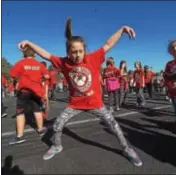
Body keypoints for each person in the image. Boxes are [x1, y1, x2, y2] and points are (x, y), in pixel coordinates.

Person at [17, 17, 143, 167]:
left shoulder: (93, 58)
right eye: (74, 52)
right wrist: (29, 43)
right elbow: (45, 54)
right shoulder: (63, 63)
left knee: (114, 126)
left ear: (84, 50)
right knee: (57, 125)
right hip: (75, 104)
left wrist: (122, 29)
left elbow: (108, 44)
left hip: (95, 103)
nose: (77, 55)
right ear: (68, 52)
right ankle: (57, 146)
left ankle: (127, 149)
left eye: (80, 51)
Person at [9, 46, 50, 145]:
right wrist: (39, 79)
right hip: (36, 91)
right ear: (34, 54)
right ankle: (40, 130)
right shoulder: (39, 64)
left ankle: (20, 136)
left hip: (24, 92)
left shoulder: (20, 63)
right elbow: (47, 76)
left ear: (24, 54)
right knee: (37, 110)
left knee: (20, 113)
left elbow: (12, 74)